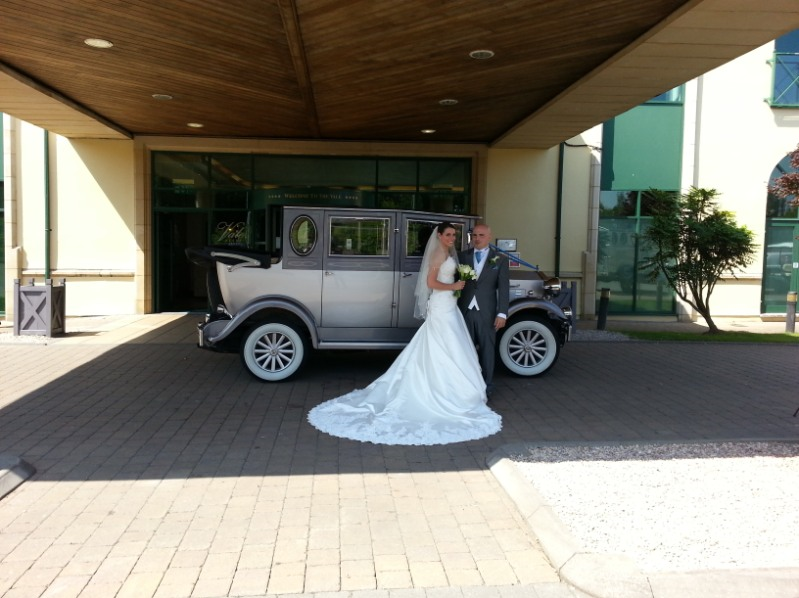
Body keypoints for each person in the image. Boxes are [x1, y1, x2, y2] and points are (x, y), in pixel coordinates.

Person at [307, 222, 502, 446]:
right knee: (443, 343)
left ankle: (453, 390)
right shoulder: (438, 253)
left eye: (454, 235)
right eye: (448, 234)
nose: (452, 238)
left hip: (450, 306)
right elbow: (430, 282)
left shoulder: (450, 253)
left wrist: (457, 286)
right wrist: (453, 287)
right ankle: (443, 392)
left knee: (450, 344)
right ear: (439, 235)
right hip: (441, 304)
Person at [457, 223, 510, 396]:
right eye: (474, 235)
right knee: (465, 349)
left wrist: (502, 313)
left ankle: (487, 385)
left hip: (487, 312)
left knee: (487, 349)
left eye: (481, 235)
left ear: (489, 237)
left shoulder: (500, 259)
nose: (477, 238)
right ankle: (466, 385)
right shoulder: (463, 256)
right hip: (465, 309)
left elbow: (504, 288)